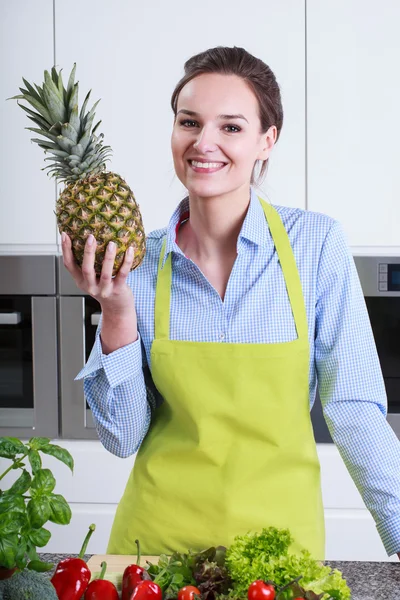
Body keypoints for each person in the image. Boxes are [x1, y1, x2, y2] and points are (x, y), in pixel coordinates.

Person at [62, 46, 400, 560]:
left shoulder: (316, 246)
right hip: (152, 553)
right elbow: (122, 438)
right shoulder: (139, 260)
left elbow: (355, 408)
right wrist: (115, 310)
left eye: (232, 127)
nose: (204, 143)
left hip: (278, 553)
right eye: (189, 122)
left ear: (268, 140)